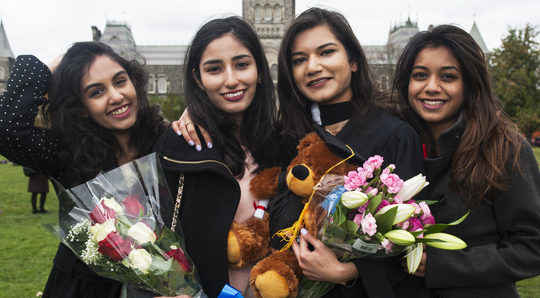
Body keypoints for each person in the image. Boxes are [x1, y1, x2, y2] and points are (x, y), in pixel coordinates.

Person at [175, 7, 428, 298]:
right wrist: (195, 111)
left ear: (354, 60)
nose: (313, 67)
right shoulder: (286, 137)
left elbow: (414, 242)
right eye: (299, 60)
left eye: (326, 52)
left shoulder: (394, 136)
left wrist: (350, 271)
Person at [0, 42, 178, 298]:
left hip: (162, 287)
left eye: (120, 81)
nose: (116, 96)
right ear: (80, 109)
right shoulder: (65, 153)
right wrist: (57, 65)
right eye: (96, 92)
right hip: (83, 289)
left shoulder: (164, 140)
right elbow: (7, 128)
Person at [393, 24, 540, 298]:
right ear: (406, 83)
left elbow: (532, 247)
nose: (432, 87)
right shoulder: (394, 148)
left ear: (469, 84)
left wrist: (443, 264)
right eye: (420, 75)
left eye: (448, 76)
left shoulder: (506, 149)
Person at [153, 16, 279, 298]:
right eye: (214, 69)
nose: (231, 80)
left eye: (242, 64)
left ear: (260, 69)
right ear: (198, 79)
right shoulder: (180, 145)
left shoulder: (281, 143)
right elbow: (151, 238)